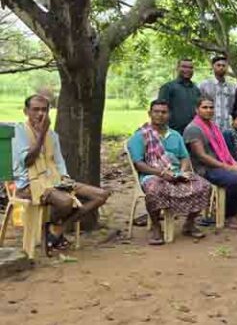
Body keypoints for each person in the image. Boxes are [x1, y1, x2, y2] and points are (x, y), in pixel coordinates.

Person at [11, 95, 110, 253]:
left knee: (101, 195)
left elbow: (58, 161)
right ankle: (53, 231)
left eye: (44, 110)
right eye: (35, 110)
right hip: (30, 183)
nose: (40, 114)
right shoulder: (18, 132)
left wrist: (65, 178)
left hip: (54, 179)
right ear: (26, 111)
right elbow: (28, 161)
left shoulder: (52, 135)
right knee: (65, 202)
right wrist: (42, 134)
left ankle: (57, 229)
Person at [127, 100, 210, 245]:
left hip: (176, 173)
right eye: (156, 112)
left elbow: (184, 157)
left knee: (204, 186)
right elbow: (139, 164)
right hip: (152, 174)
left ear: (169, 115)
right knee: (154, 190)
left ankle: (189, 224)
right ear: (150, 114)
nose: (160, 115)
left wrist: (183, 172)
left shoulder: (175, 135)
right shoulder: (140, 136)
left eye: (164, 112)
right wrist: (160, 173)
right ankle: (156, 226)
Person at [184, 97, 237, 229]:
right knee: (236, 178)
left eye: (211, 107)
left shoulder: (213, 127)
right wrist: (227, 167)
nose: (209, 110)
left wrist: (233, 165)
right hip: (205, 169)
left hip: (223, 165)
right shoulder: (193, 129)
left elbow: (224, 151)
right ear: (197, 109)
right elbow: (202, 156)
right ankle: (228, 215)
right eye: (205, 107)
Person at [158, 58, 201, 133]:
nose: (187, 70)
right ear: (177, 68)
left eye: (190, 67)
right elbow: (160, 112)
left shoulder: (196, 89)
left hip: (193, 133)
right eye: (184, 67)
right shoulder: (168, 87)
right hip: (174, 132)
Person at [199, 56, 236, 131]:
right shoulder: (204, 85)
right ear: (213, 67)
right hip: (209, 127)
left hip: (227, 128)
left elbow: (232, 108)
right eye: (218, 65)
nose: (221, 67)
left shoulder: (232, 87)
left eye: (223, 65)